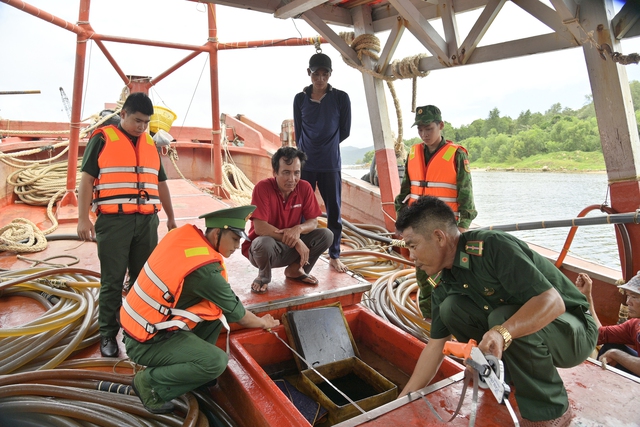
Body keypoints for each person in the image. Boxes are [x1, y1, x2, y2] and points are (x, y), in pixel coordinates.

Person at [396, 196, 597, 427]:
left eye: (413, 245)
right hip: (542, 333)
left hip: (574, 331)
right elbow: (436, 346)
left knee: (501, 320)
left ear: (439, 237)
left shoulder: (492, 247)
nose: (412, 257)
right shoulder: (442, 280)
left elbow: (553, 302)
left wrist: (502, 333)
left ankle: (550, 409)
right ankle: (505, 379)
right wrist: (403, 399)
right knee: (452, 309)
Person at [120, 205, 280, 414]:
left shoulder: (186, 239)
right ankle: (149, 384)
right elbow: (239, 315)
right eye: (234, 238)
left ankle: (194, 371)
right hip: (145, 341)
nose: (236, 245)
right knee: (216, 362)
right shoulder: (204, 270)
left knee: (214, 310)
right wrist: (264, 322)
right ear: (216, 233)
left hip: (143, 326)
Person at [77, 92, 177, 358]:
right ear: (123, 115)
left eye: (146, 122)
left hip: (147, 222)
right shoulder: (102, 138)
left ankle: (137, 332)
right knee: (112, 280)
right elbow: (86, 180)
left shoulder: (150, 144)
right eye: (137, 120)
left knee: (142, 281)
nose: (142, 127)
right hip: (113, 223)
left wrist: (171, 217)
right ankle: (108, 335)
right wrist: (83, 218)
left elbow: (161, 183)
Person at [394, 105, 477, 319]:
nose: (424, 134)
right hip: (420, 227)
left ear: (441, 125)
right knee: (422, 273)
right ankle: (428, 319)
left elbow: (466, 196)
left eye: (429, 128)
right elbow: (403, 194)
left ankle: (450, 321)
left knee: (447, 277)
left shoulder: (457, 155)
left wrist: (462, 227)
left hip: (445, 229)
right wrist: (401, 224)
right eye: (420, 129)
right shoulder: (413, 153)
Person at [243, 147, 333, 293]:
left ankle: (295, 270)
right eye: (286, 172)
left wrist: (298, 229)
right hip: (266, 251)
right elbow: (260, 228)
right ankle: (263, 276)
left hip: (289, 249)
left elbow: (313, 221)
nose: (292, 179)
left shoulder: (304, 188)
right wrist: (296, 240)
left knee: (326, 235)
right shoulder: (263, 188)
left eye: (296, 173)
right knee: (263, 242)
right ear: (275, 172)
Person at [294, 52, 351, 274]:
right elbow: (299, 132)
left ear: (330, 74)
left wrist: (326, 145)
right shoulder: (299, 99)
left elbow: (344, 130)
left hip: (330, 163)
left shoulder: (340, 98)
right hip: (306, 164)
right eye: (315, 74)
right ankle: (299, 253)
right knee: (301, 211)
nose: (320, 78)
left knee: (334, 210)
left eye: (324, 74)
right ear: (309, 73)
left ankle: (334, 254)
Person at [575, 272, 640, 376]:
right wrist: (586, 296)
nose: (628, 302)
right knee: (609, 347)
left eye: (635, 297)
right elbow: (599, 334)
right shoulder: (635, 325)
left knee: (614, 352)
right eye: (628, 295)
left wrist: (616, 354)